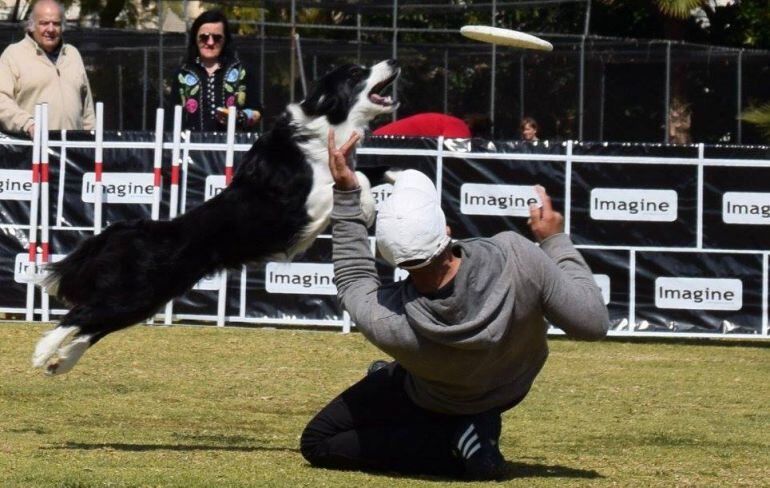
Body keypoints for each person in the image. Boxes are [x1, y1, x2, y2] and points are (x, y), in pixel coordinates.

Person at [299, 130, 609, 480]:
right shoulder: (517, 257)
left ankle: (451, 442)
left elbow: (354, 276)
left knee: (319, 441)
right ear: (446, 230)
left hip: (436, 395)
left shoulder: (390, 322)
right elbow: (593, 323)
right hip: (508, 389)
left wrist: (345, 193)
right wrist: (555, 241)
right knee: (392, 380)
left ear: (392, 258)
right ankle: (469, 430)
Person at [0, 0, 95, 137]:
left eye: (56, 23)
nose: (50, 29)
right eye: (44, 23)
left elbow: (88, 109)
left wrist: (92, 140)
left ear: (62, 27)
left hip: (74, 152)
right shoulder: (14, 55)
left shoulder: (72, 54)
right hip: (33, 151)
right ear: (32, 26)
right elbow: (1, 101)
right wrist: (28, 124)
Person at [170, 10, 261, 132]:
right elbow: (172, 117)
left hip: (233, 147)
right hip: (191, 147)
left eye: (217, 38)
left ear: (225, 40)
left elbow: (257, 111)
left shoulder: (242, 71)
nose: (210, 42)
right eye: (204, 37)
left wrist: (241, 117)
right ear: (195, 39)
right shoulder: (182, 74)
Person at [373, 112, 471, 138]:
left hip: (378, 140)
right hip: (381, 143)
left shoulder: (452, 122)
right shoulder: (459, 126)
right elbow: (453, 154)